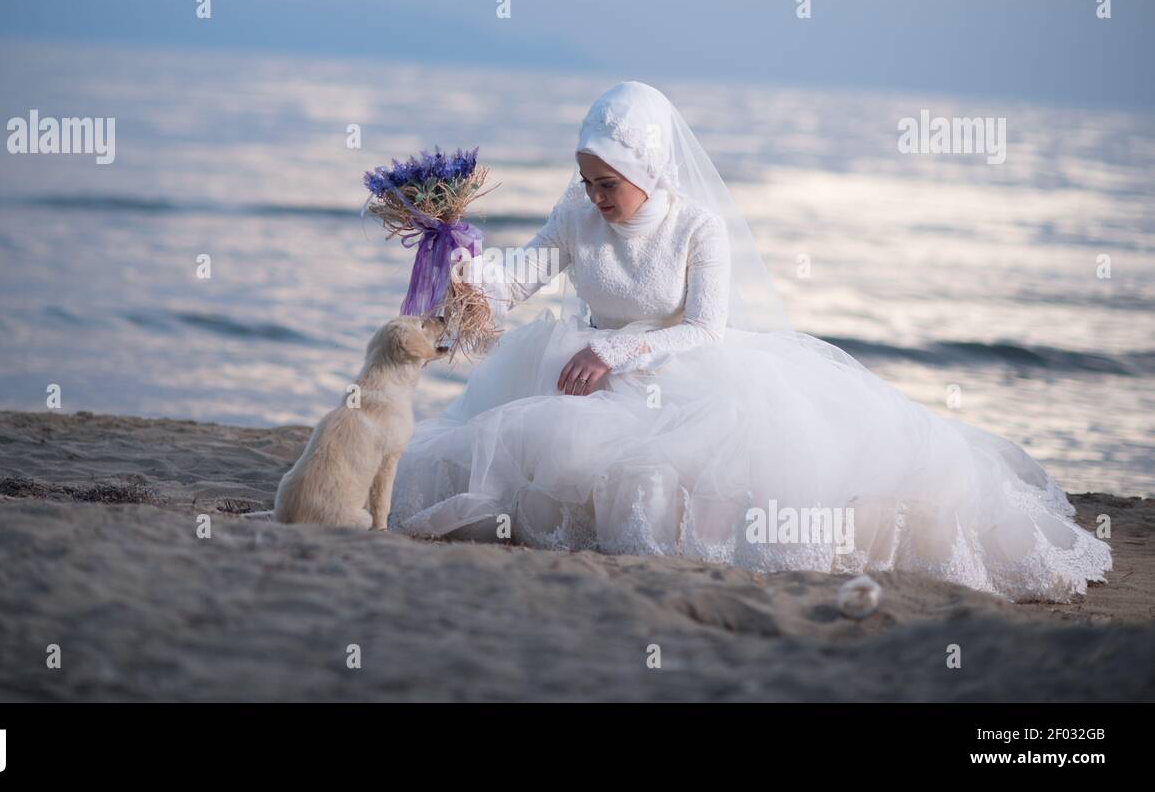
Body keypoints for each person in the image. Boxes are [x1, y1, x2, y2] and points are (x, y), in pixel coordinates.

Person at [389, 81, 1111, 603]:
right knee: (521, 445)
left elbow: (706, 326)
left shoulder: (696, 226)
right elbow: (515, 283)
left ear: (645, 172)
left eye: (609, 182)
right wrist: (457, 253)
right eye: (588, 179)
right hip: (587, 364)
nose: (596, 195)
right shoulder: (578, 212)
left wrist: (619, 351)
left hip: (678, 370)